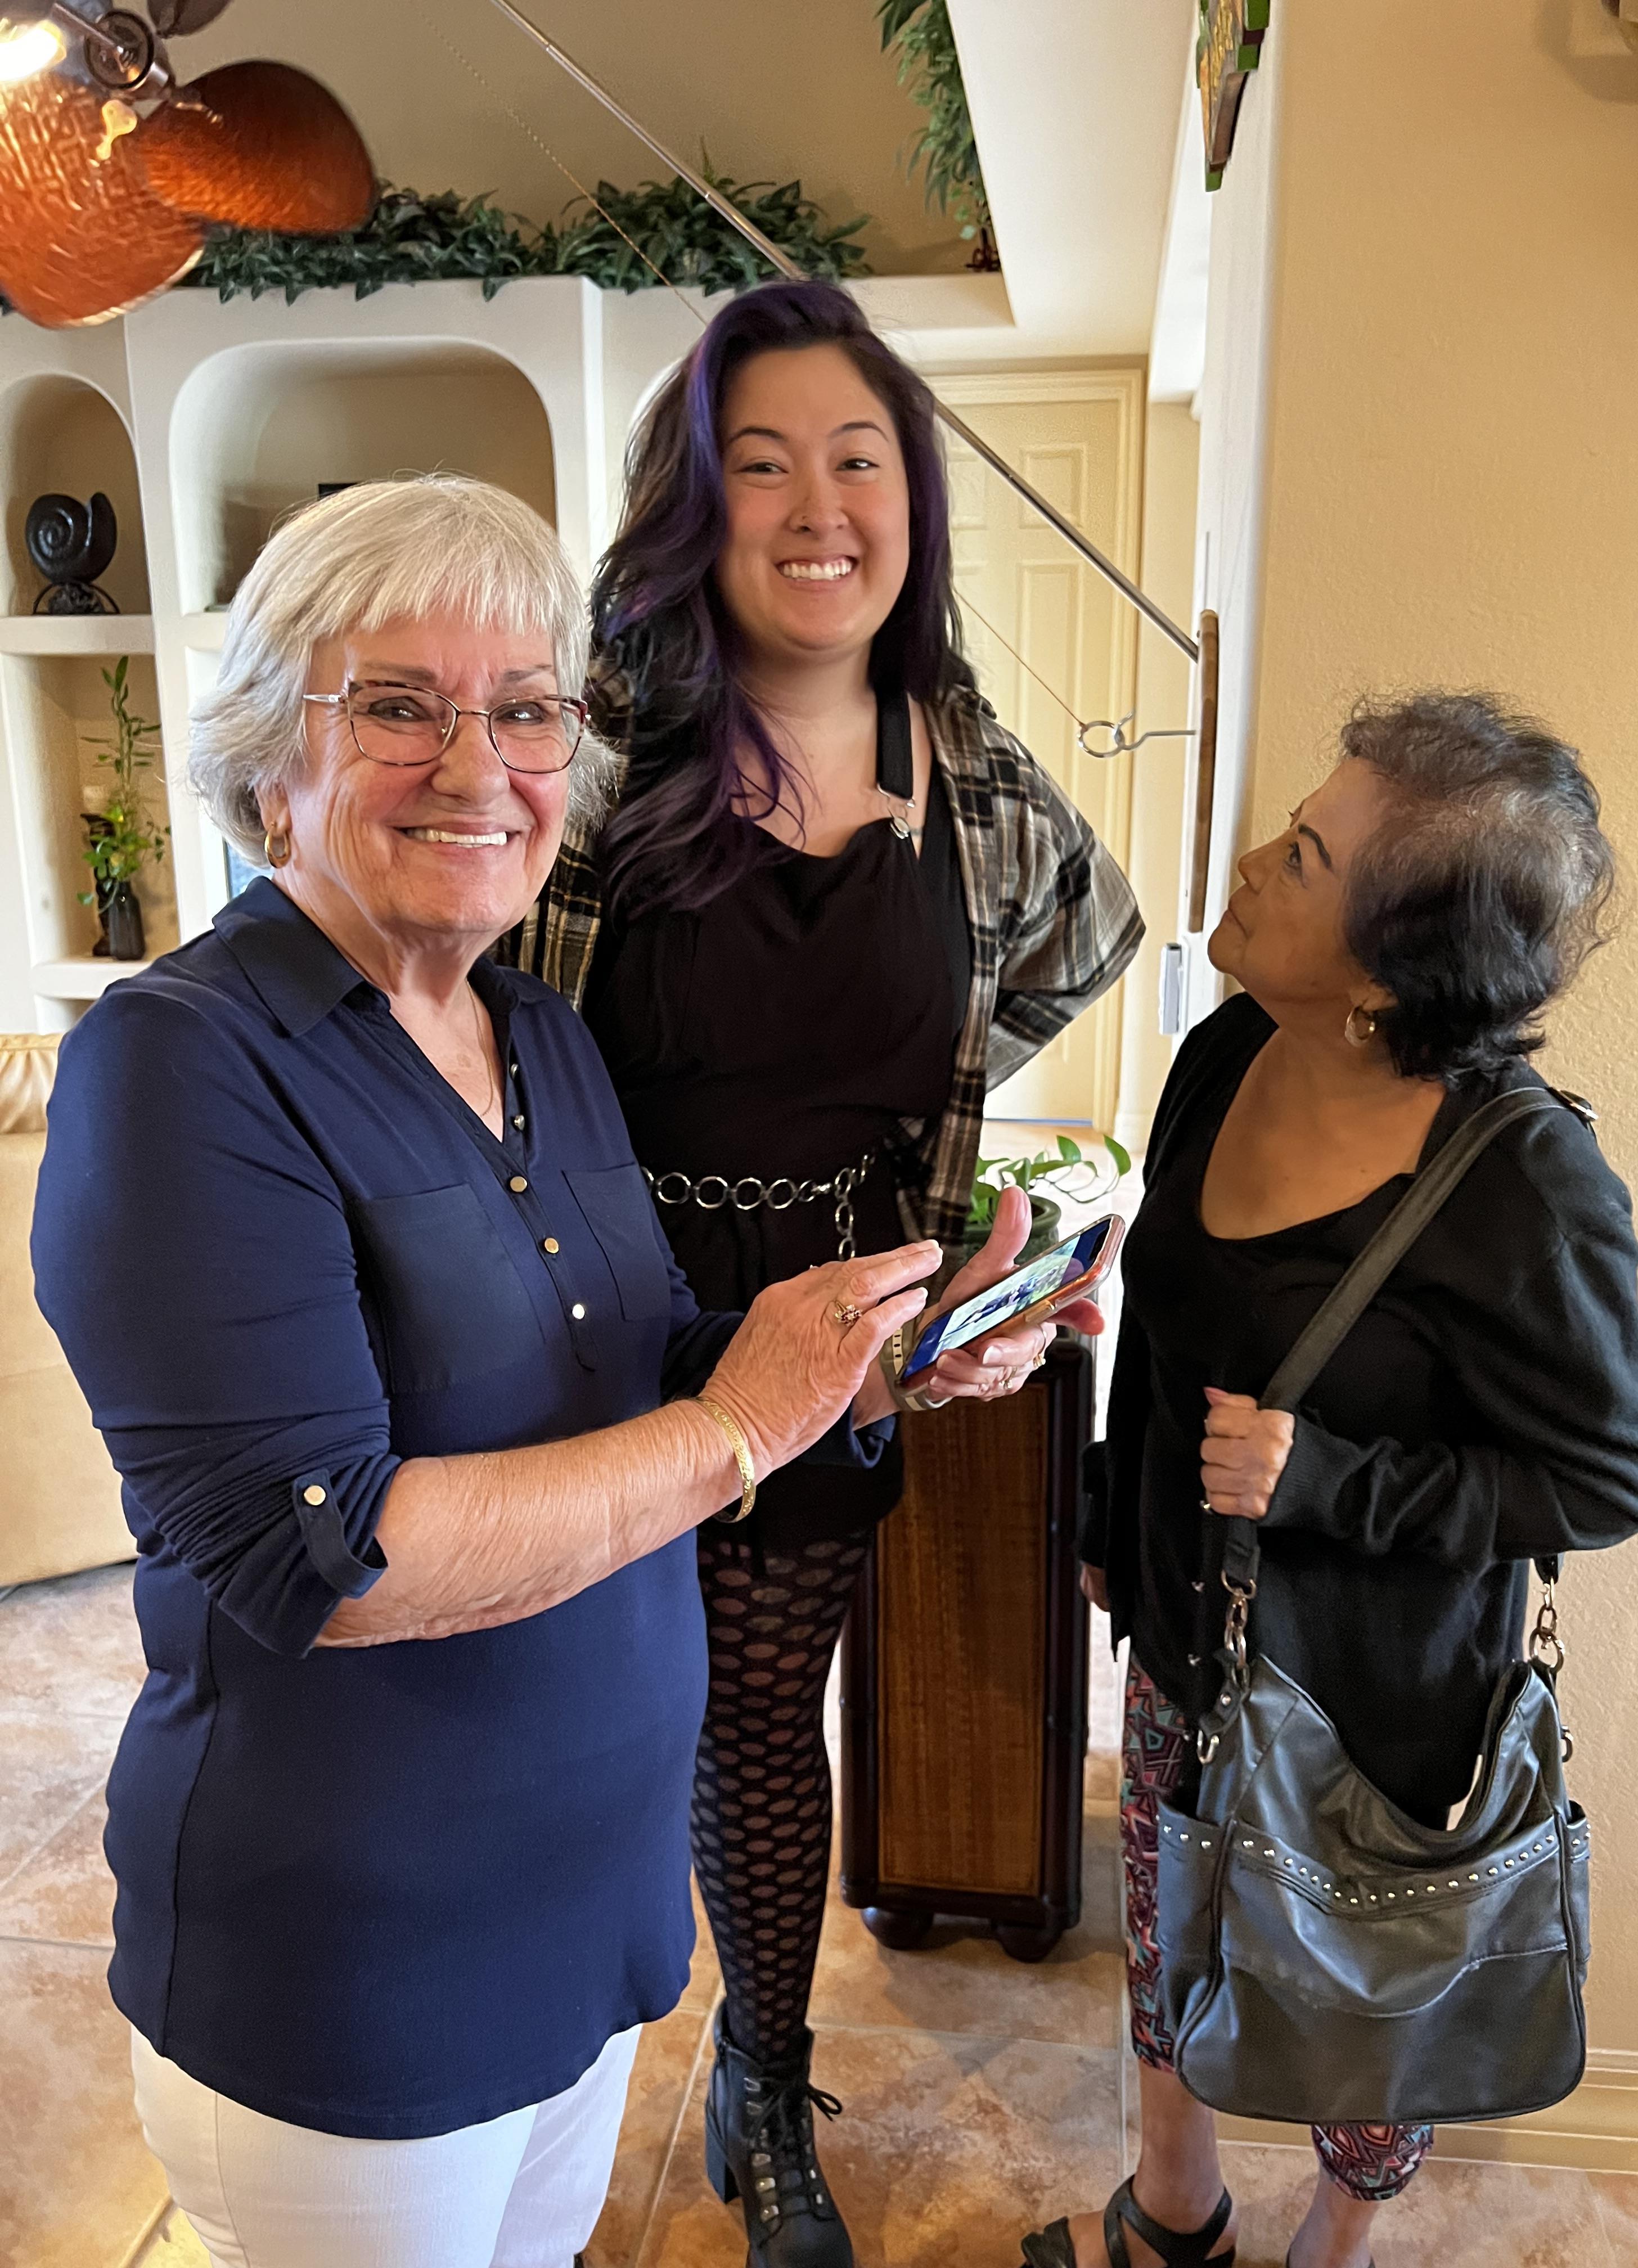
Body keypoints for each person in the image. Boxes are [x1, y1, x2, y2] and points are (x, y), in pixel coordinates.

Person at [30, 475, 1068, 2268]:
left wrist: (896, 1359)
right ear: (274, 753)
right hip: (346, 1975)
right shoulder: (183, 1066)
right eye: (401, 708)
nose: (477, 764)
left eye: (524, 712)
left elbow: (654, 1367)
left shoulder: (540, 1036)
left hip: (579, 1922)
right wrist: (744, 1420)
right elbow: (324, 1558)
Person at [506, 277, 1143, 2264]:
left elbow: (1079, 950)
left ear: (911, 499)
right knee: (561, 1704)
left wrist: (920, 1186)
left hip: (833, 1361)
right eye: (757, 462)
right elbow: (473, 1021)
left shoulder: (966, 765)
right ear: (693, 506)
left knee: (763, 1719)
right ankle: (529, 2068)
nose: (815, 507)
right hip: (587, 1333)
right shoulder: (598, 746)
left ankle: (766, 2087)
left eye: (856, 460)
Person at [1029, 692, 1638, 2268]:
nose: (1251, 859)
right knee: (1176, 1949)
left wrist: (1332, 1481)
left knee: (1367, 2019)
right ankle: (1172, 2220)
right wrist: (1116, 1513)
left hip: (1384, 1715)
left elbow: (1606, 1477)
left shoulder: (1526, 1182)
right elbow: (1172, 1328)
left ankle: (1335, 2247)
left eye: (1304, 854)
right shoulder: (1226, 1045)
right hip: (1189, 1636)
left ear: (1392, 972)